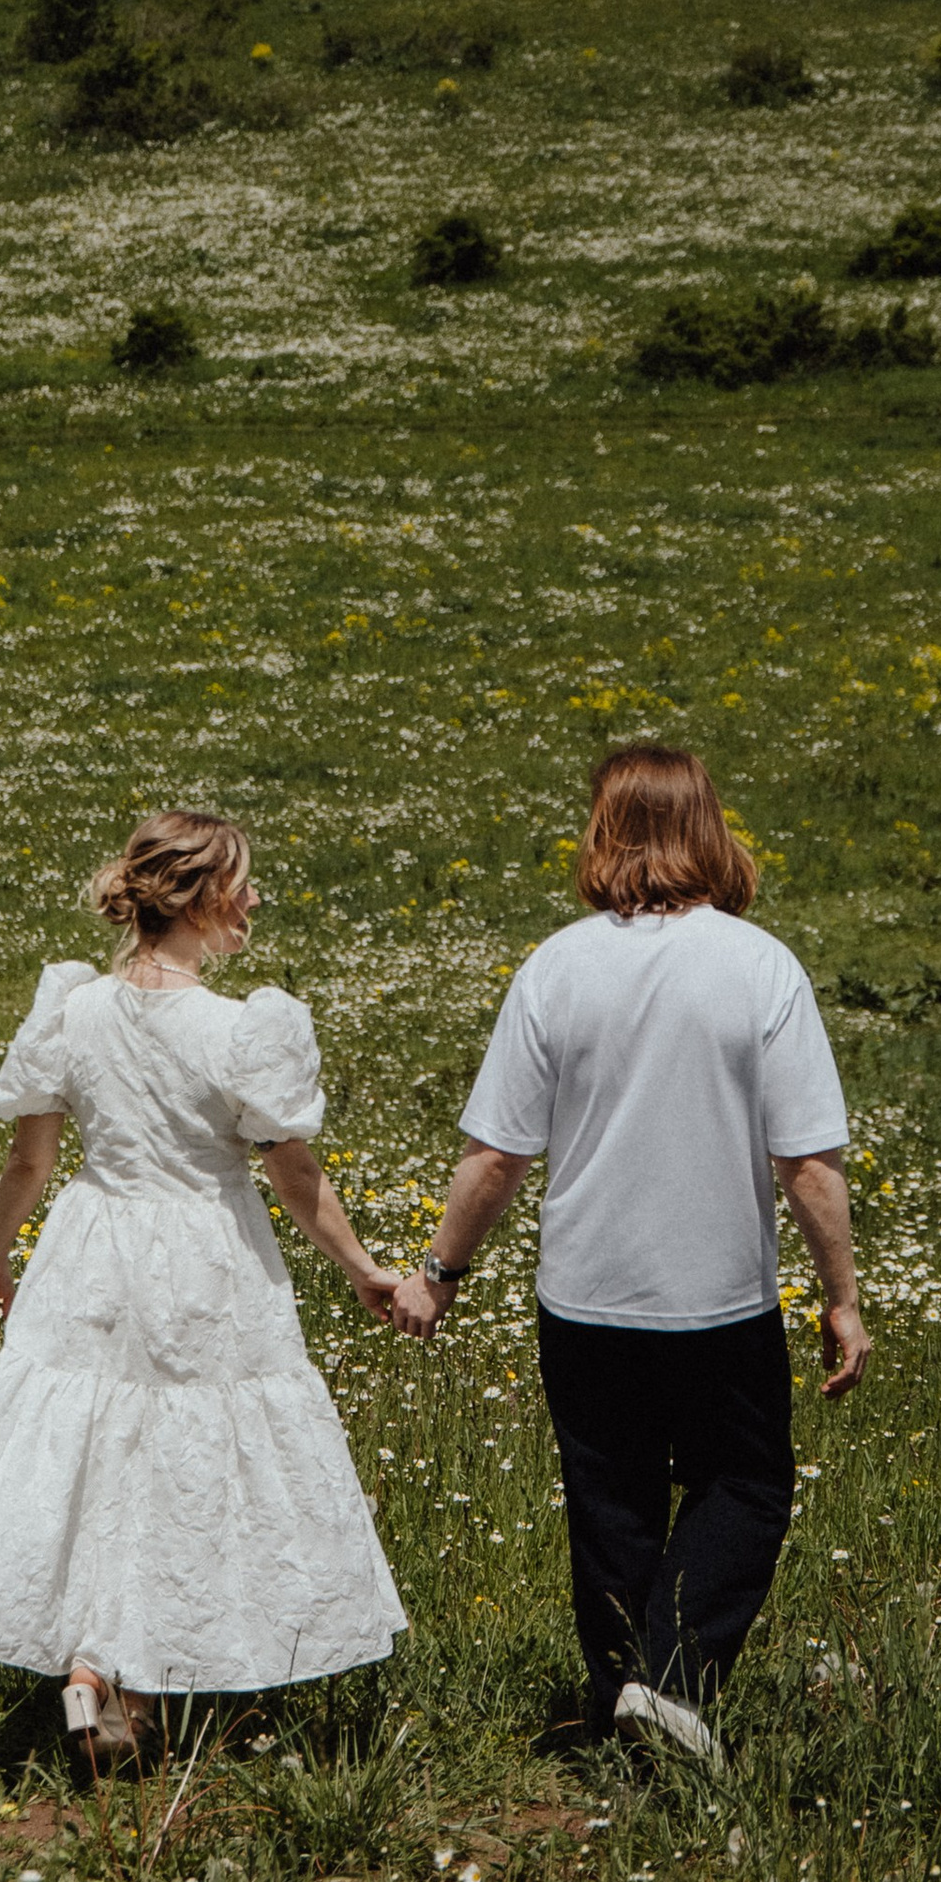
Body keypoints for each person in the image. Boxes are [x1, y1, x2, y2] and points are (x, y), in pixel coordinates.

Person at [391, 744, 869, 1765]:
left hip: (585, 1296)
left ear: (602, 829)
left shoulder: (556, 965)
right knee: (742, 1483)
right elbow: (808, 1164)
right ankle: (676, 1684)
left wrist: (437, 1275)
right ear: (710, 826)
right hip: (717, 1298)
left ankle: (624, 1707)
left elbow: (494, 1156)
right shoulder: (759, 965)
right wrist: (841, 1296)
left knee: (609, 1499)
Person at [0, 809, 406, 1762]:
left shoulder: (74, 1009)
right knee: (183, 1460)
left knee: (94, 1451)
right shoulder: (238, 1030)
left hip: (93, 1245)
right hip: (206, 1255)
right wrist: (363, 1269)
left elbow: (29, 1160)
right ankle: (134, 1695)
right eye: (246, 884)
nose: (257, 899)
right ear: (206, 897)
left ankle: (91, 1677)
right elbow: (293, 1175)